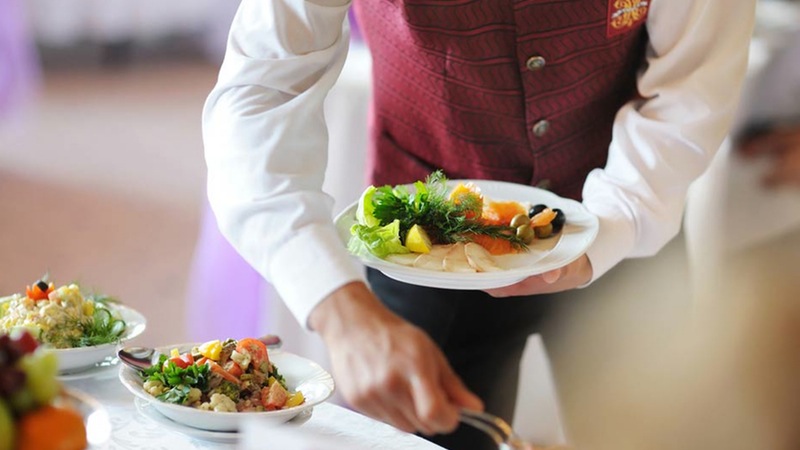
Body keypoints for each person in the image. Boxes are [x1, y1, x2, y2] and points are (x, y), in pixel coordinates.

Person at [202, 1, 756, 449]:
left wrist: (617, 220)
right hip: (424, 253)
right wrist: (341, 310)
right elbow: (261, 94)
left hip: (633, 227)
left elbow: (691, 86)